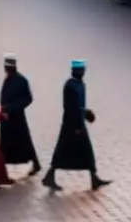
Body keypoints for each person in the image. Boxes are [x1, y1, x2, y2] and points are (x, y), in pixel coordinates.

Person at [43, 61, 111, 192]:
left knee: (79, 151)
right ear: (75, 72)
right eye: (80, 71)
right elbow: (70, 108)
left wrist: (85, 113)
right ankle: (50, 176)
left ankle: (93, 178)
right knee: (69, 150)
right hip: (72, 124)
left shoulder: (79, 85)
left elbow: (79, 106)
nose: (82, 73)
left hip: (77, 122)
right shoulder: (70, 86)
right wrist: (77, 125)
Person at [0, 55, 40, 175]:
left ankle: (35, 164)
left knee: (25, 142)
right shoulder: (8, 79)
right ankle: (2, 168)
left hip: (17, 118)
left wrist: (12, 108)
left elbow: (28, 98)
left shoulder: (21, 81)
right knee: (5, 144)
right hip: (6, 118)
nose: (6, 70)